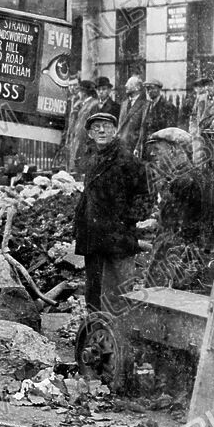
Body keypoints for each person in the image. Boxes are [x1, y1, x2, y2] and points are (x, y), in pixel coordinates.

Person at [73, 112, 148, 325]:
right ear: (89, 133)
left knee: (117, 291)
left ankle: (115, 337)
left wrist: (124, 221)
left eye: (106, 126)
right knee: (94, 289)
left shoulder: (127, 160)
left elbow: (144, 197)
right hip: (93, 236)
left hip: (116, 238)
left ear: (115, 131)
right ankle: (94, 333)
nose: (102, 131)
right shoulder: (93, 157)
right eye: (96, 127)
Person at [141, 127, 211, 291]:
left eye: (157, 149)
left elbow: (181, 228)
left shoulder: (185, 180)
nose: (153, 154)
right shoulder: (179, 177)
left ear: (173, 149)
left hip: (174, 256)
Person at [137, 78, 178, 160]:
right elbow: (143, 129)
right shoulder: (146, 107)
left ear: (159, 89)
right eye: (147, 89)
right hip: (146, 149)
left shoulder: (168, 107)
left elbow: (170, 131)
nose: (149, 91)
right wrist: (138, 147)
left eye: (152, 88)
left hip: (160, 149)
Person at [67, 79, 98, 175]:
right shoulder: (80, 104)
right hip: (77, 140)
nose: (79, 93)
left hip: (86, 141)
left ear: (84, 93)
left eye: (80, 91)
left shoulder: (94, 104)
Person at [117, 75, 146, 156]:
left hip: (133, 147)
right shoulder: (124, 103)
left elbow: (143, 128)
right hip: (121, 146)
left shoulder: (145, 104)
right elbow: (120, 125)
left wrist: (138, 147)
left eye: (130, 84)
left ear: (137, 87)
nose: (126, 85)